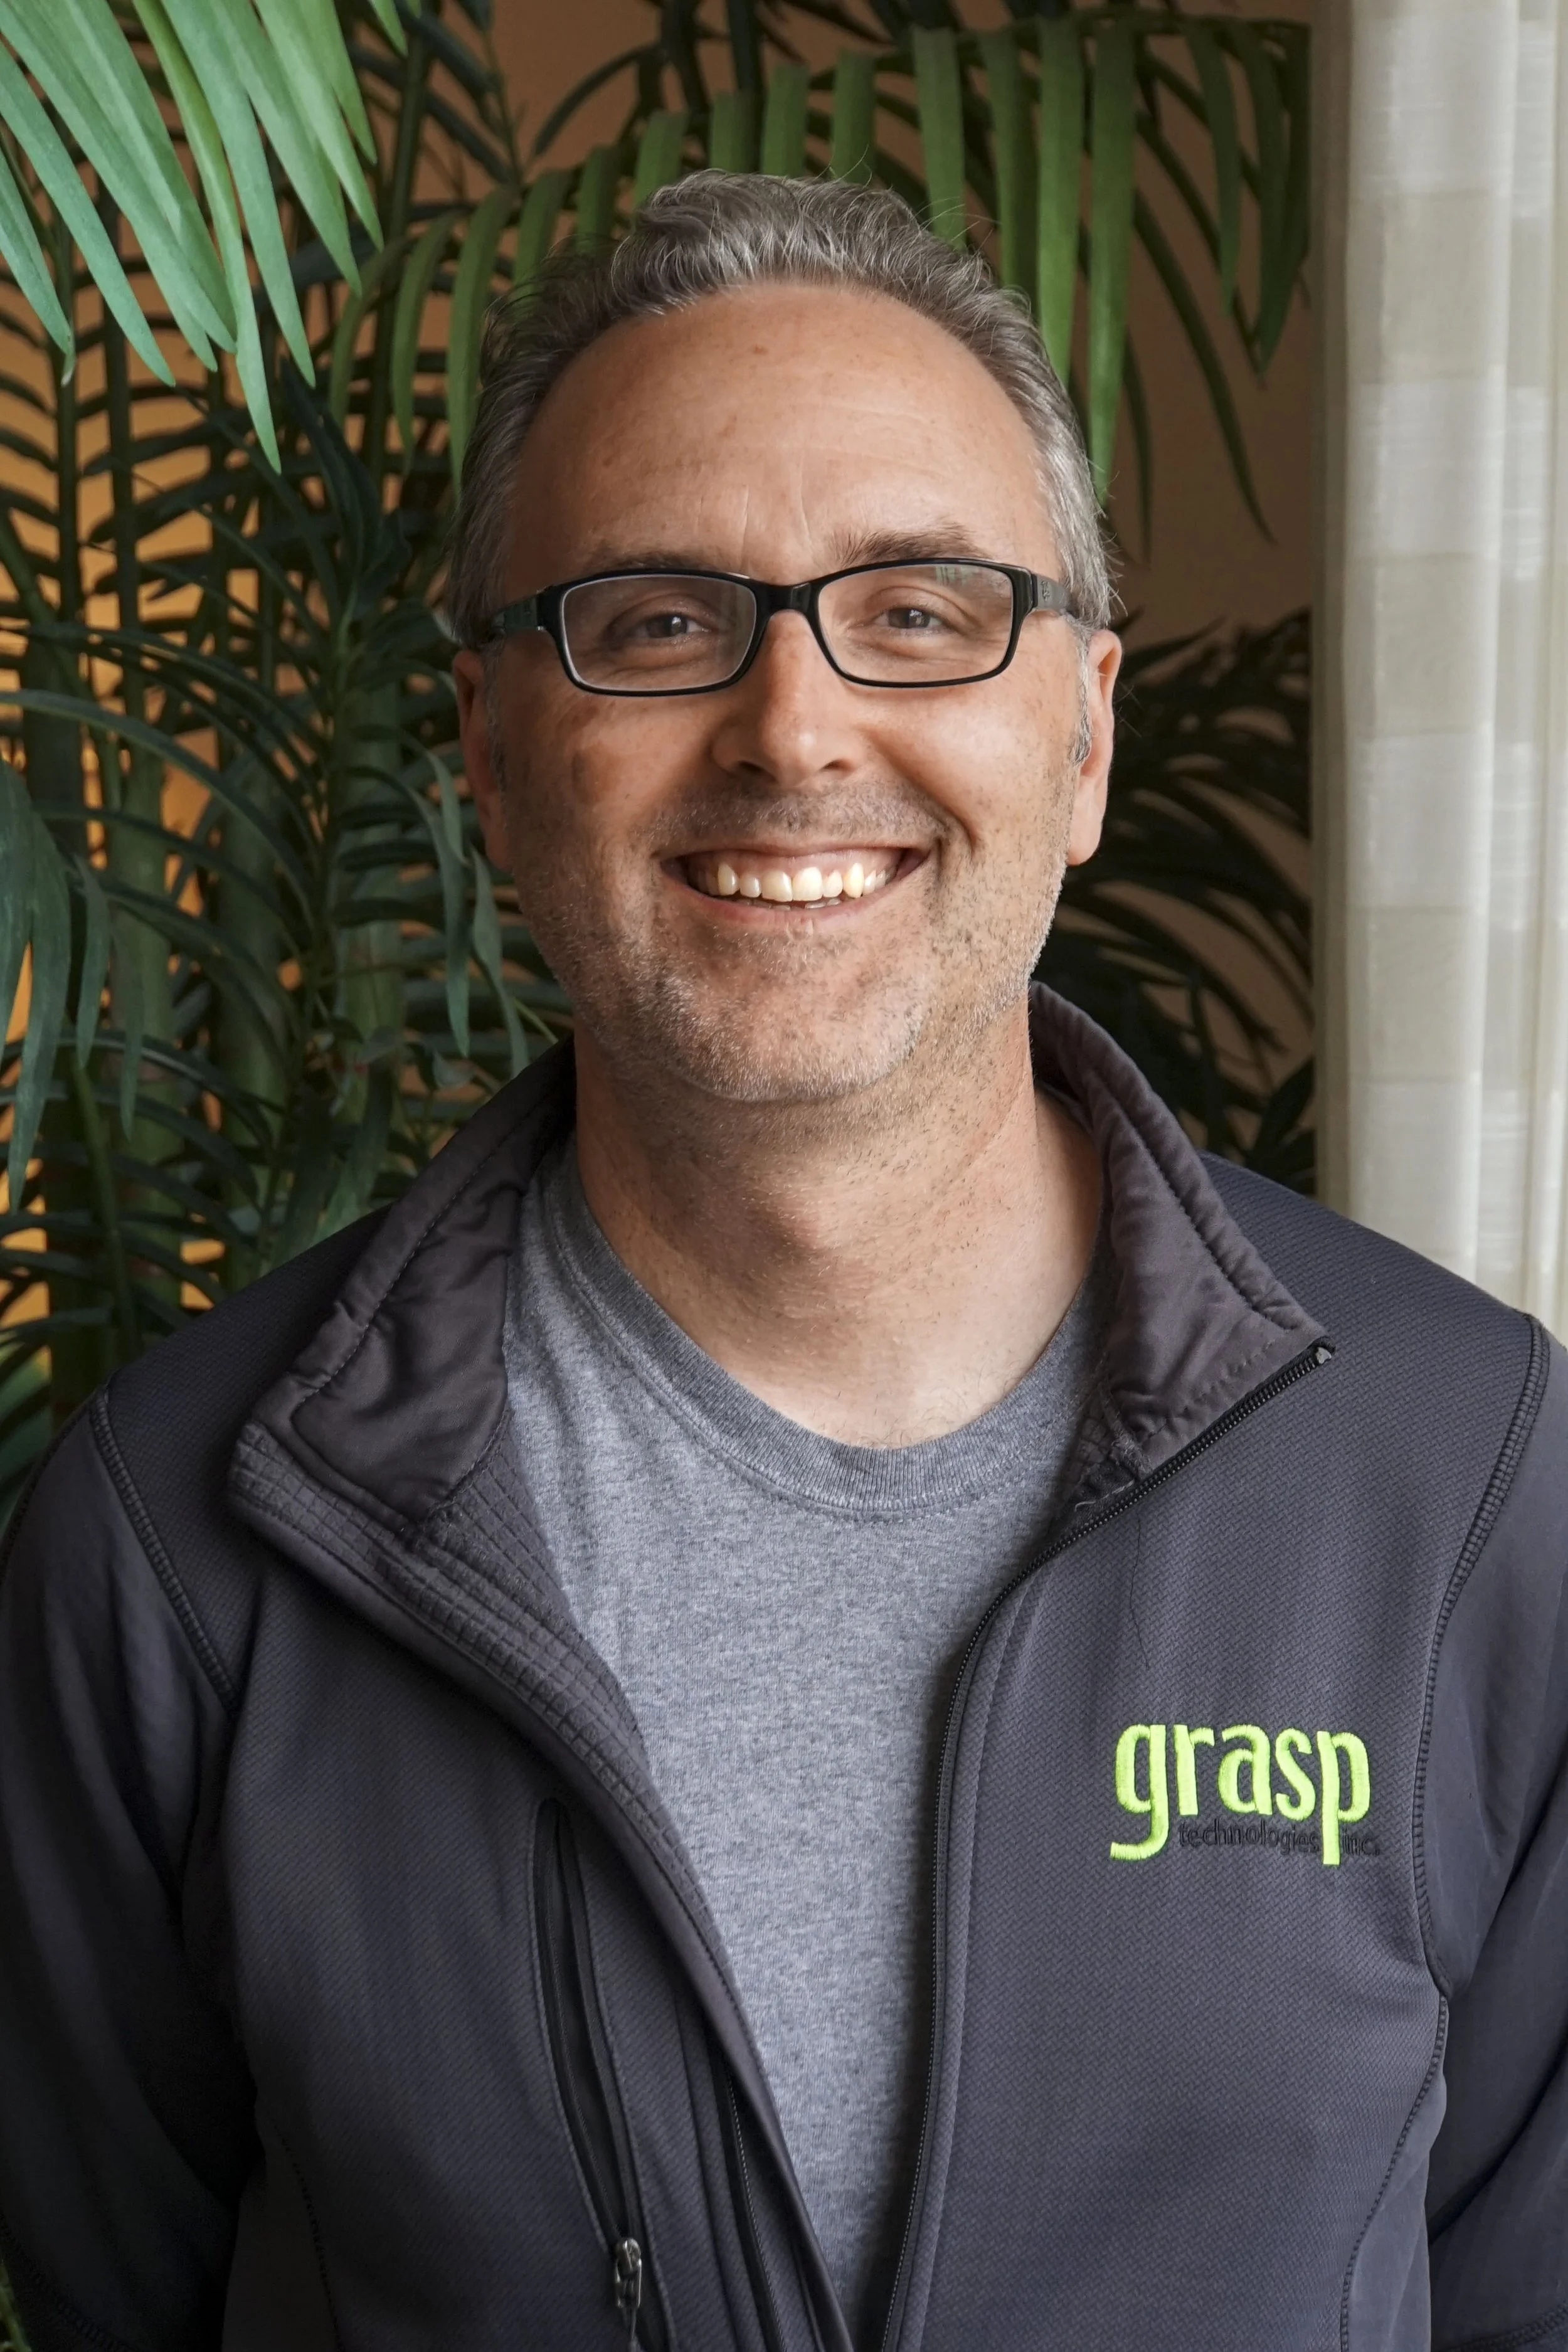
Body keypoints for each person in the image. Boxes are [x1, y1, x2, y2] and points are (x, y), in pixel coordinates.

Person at [0, 173, 1563, 2352]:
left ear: (1086, 731)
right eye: (654, 618)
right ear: (487, 754)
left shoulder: (1472, 1477)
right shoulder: (173, 1547)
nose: (794, 729)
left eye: (919, 611)